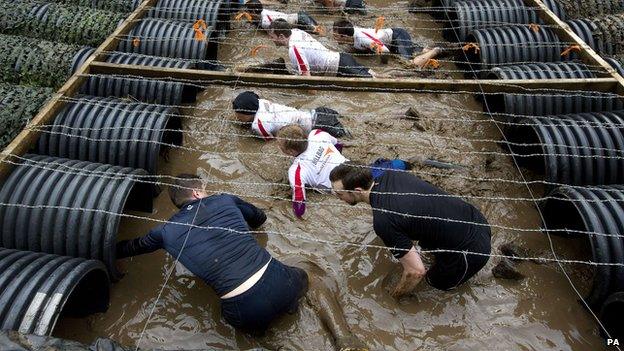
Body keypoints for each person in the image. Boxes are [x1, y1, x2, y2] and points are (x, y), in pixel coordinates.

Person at [115, 174, 309, 333]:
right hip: (283, 282)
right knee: (303, 278)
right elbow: (259, 218)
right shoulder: (224, 199)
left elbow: (134, 247)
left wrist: (107, 251)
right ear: (197, 192)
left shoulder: (164, 232)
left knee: (230, 322)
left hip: (247, 310)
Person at [329, 162, 492, 296]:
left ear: (357, 191)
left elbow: (416, 272)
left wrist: (395, 298)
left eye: (339, 194)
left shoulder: (384, 221)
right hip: (476, 218)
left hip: (471, 252)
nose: (337, 198)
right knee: (426, 242)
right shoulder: (389, 174)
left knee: (435, 286)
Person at [277, 124, 409, 218]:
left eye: (280, 146)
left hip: (342, 191)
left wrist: (297, 217)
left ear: (290, 152)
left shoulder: (296, 171)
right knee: (396, 166)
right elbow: (338, 145)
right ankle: (412, 164)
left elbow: (300, 203)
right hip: (353, 169)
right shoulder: (317, 134)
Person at [268, 19, 378, 78]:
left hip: (340, 68)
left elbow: (307, 79)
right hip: (341, 58)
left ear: (281, 36)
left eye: (272, 37)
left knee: (374, 82)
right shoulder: (296, 31)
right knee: (377, 76)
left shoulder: (294, 49)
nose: (271, 39)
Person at [232, 91, 348, 139]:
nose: (236, 116)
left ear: (246, 112)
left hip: (319, 127)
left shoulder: (258, 125)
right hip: (320, 112)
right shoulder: (261, 102)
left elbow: (272, 143)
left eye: (237, 113)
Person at [332, 19, 441, 68]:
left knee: (410, 65)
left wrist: (383, 65)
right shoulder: (350, 34)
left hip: (397, 37)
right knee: (418, 53)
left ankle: (436, 50)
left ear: (345, 36)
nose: (334, 38)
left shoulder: (363, 39)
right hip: (390, 41)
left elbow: (384, 51)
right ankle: (428, 51)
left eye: (336, 36)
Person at [243, 0, 321, 34]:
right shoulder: (262, 11)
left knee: (320, 33)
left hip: (301, 20)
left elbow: (272, 33)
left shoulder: (265, 22)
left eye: (248, 11)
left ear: (253, 12)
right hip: (299, 16)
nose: (246, 12)